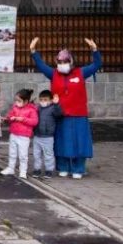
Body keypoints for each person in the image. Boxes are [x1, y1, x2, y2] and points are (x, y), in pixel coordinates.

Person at [30, 37, 101, 179]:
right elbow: (41, 64)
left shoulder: (81, 73)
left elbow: (97, 64)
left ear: (71, 62)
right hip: (60, 115)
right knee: (62, 141)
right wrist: (33, 51)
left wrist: (94, 50)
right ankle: (62, 166)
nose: (62, 64)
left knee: (79, 141)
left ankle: (78, 168)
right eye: (60, 62)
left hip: (79, 114)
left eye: (66, 62)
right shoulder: (53, 74)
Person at [1, 89, 39, 179]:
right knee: (12, 153)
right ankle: (11, 168)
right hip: (14, 133)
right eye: (16, 100)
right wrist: (11, 118)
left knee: (23, 155)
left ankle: (23, 171)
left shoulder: (31, 110)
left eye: (19, 101)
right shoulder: (15, 107)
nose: (17, 102)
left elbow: (34, 121)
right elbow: (9, 116)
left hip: (24, 136)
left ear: (26, 101)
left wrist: (23, 119)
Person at [32, 90, 63, 179]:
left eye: (45, 99)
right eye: (41, 99)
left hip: (48, 137)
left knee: (48, 154)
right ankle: (37, 169)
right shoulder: (37, 108)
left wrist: (57, 104)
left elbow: (59, 114)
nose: (43, 102)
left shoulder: (53, 108)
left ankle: (49, 170)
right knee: (36, 154)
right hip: (37, 136)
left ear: (50, 100)